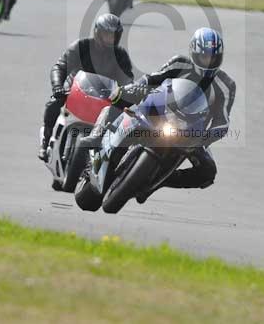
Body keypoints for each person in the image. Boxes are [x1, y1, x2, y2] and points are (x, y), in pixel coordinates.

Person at [82, 27, 236, 204]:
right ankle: (96, 138)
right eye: (204, 56)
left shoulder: (226, 85)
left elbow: (222, 121)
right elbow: (149, 80)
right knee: (119, 100)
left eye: (213, 57)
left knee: (207, 173)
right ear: (194, 52)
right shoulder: (179, 63)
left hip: (192, 133)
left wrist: (205, 138)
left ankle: (160, 181)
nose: (208, 62)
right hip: (156, 114)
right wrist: (132, 90)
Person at [39, 13, 134, 161]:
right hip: (74, 93)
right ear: (97, 32)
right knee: (53, 103)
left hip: (104, 100)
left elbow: (127, 81)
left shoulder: (120, 55)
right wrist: (58, 86)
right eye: (106, 34)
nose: (110, 38)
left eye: (113, 35)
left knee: (124, 123)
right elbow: (60, 66)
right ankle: (45, 142)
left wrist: (128, 97)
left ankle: (110, 161)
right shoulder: (81, 46)